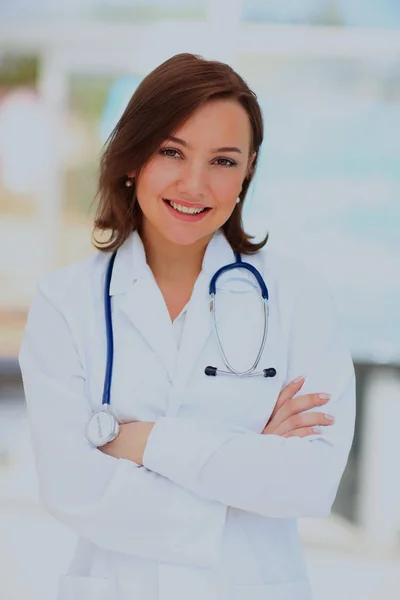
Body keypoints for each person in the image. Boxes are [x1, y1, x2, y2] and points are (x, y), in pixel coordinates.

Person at [19, 53, 356, 600]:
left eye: (223, 161)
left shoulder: (301, 300)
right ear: (132, 158)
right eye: (171, 151)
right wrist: (247, 464)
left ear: (247, 171)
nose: (195, 184)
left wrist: (140, 440)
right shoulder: (66, 304)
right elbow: (70, 487)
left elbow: (310, 483)